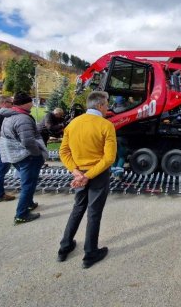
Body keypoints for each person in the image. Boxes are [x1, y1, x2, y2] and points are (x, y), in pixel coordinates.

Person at [57, 91, 117, 269]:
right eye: (106, 104)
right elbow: (109, 158)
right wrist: (88, 176)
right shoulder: (106, 126)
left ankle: (64, 248)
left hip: (79, 174)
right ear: (99, 105)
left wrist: (76, 172)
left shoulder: (72, 124)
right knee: (94, 213)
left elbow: (63, 152)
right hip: (97, 174)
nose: (108, 107)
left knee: (78, 208)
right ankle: (90, 254)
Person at [0, 92, 48, 225]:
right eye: (31, 101)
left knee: (27, 181)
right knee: (28, 184)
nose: (32, 104)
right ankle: (21, 214)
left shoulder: (10, 116)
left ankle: (29, 203)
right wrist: (37, 153)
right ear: (25, 103)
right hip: (27, 156)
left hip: (16, 155)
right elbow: (28, 141)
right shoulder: (23, 119)